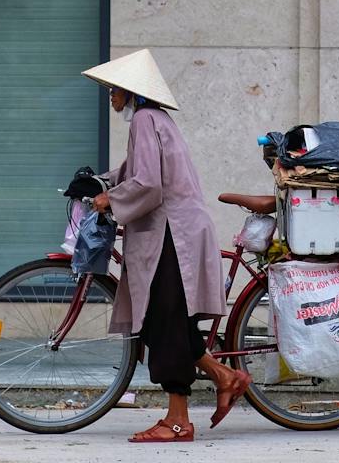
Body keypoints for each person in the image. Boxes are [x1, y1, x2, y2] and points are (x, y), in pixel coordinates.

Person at [83, 50, 252, 443]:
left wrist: (112, 200)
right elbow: (135, 172)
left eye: (114, 90)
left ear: (131, 92)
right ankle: (226, 376)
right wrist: (103, 183)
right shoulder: (157, 119)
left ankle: (178, 422)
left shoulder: (143, 120)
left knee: (167, 323)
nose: (110, 97)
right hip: (180, 233)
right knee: (171, 321)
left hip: (172, 237)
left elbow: (148, 185)